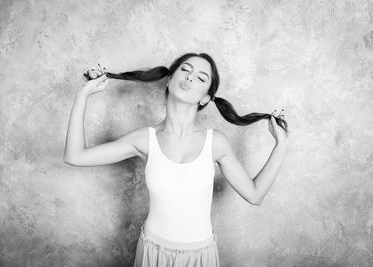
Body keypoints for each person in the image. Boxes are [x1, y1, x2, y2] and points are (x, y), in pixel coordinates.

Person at [64, 52, 289, 267]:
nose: (190, 76)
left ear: (205, 98)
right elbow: (75, 156)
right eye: (185, 70)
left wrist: (281, 145)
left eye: (201, 78)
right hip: (153, 253)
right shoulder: (144, 139)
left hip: (201, 256)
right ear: (169, 80)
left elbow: (255, 194)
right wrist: (82, 95)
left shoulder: (215, 143)